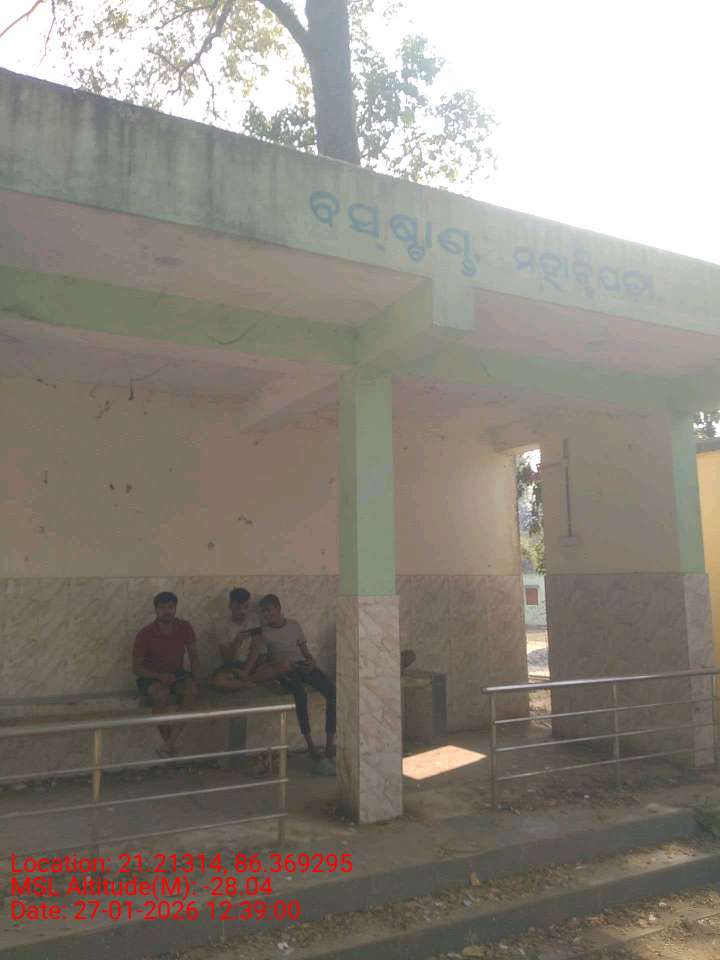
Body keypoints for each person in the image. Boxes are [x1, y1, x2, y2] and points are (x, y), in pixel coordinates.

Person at [237, 594, 336, 774]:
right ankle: (311, 746)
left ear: (278, 608)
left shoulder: (294, 625)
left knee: (332, 692)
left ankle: (330, 744)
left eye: (269, 610)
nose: (267, 614)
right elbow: (255, 655)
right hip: (284, 670)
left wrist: (312, 661)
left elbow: (304, 650)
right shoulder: (263, 632)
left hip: (302, 665)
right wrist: (246, 674)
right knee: (300, 695)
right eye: (264, 612)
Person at [132, 591, 199, 758]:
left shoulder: (184, 627)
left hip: (177, 674)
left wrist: (196, 678)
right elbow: (136, 668)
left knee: (192, 691)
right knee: (160, 695)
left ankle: (168, 745)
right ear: (155, 610)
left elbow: (194, 655)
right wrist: (159, 677)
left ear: (175, 608)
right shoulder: (145, 633)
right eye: (162, 608)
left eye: (170, 607)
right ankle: (170, 745)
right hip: (150, 677)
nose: (167, 611)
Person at [209, 587, 263, 691]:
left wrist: (246, 671)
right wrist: (236, 642)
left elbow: (256, 649)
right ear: (230, 606)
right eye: (238, 608)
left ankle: (245, 681)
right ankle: (249, 684)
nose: (243, 612)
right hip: (232, 666)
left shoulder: (254, 619)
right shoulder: (220, 624)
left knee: (271, 668)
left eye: (246, 607)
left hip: (252, 664)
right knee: (217, 681)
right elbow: (226, 659)